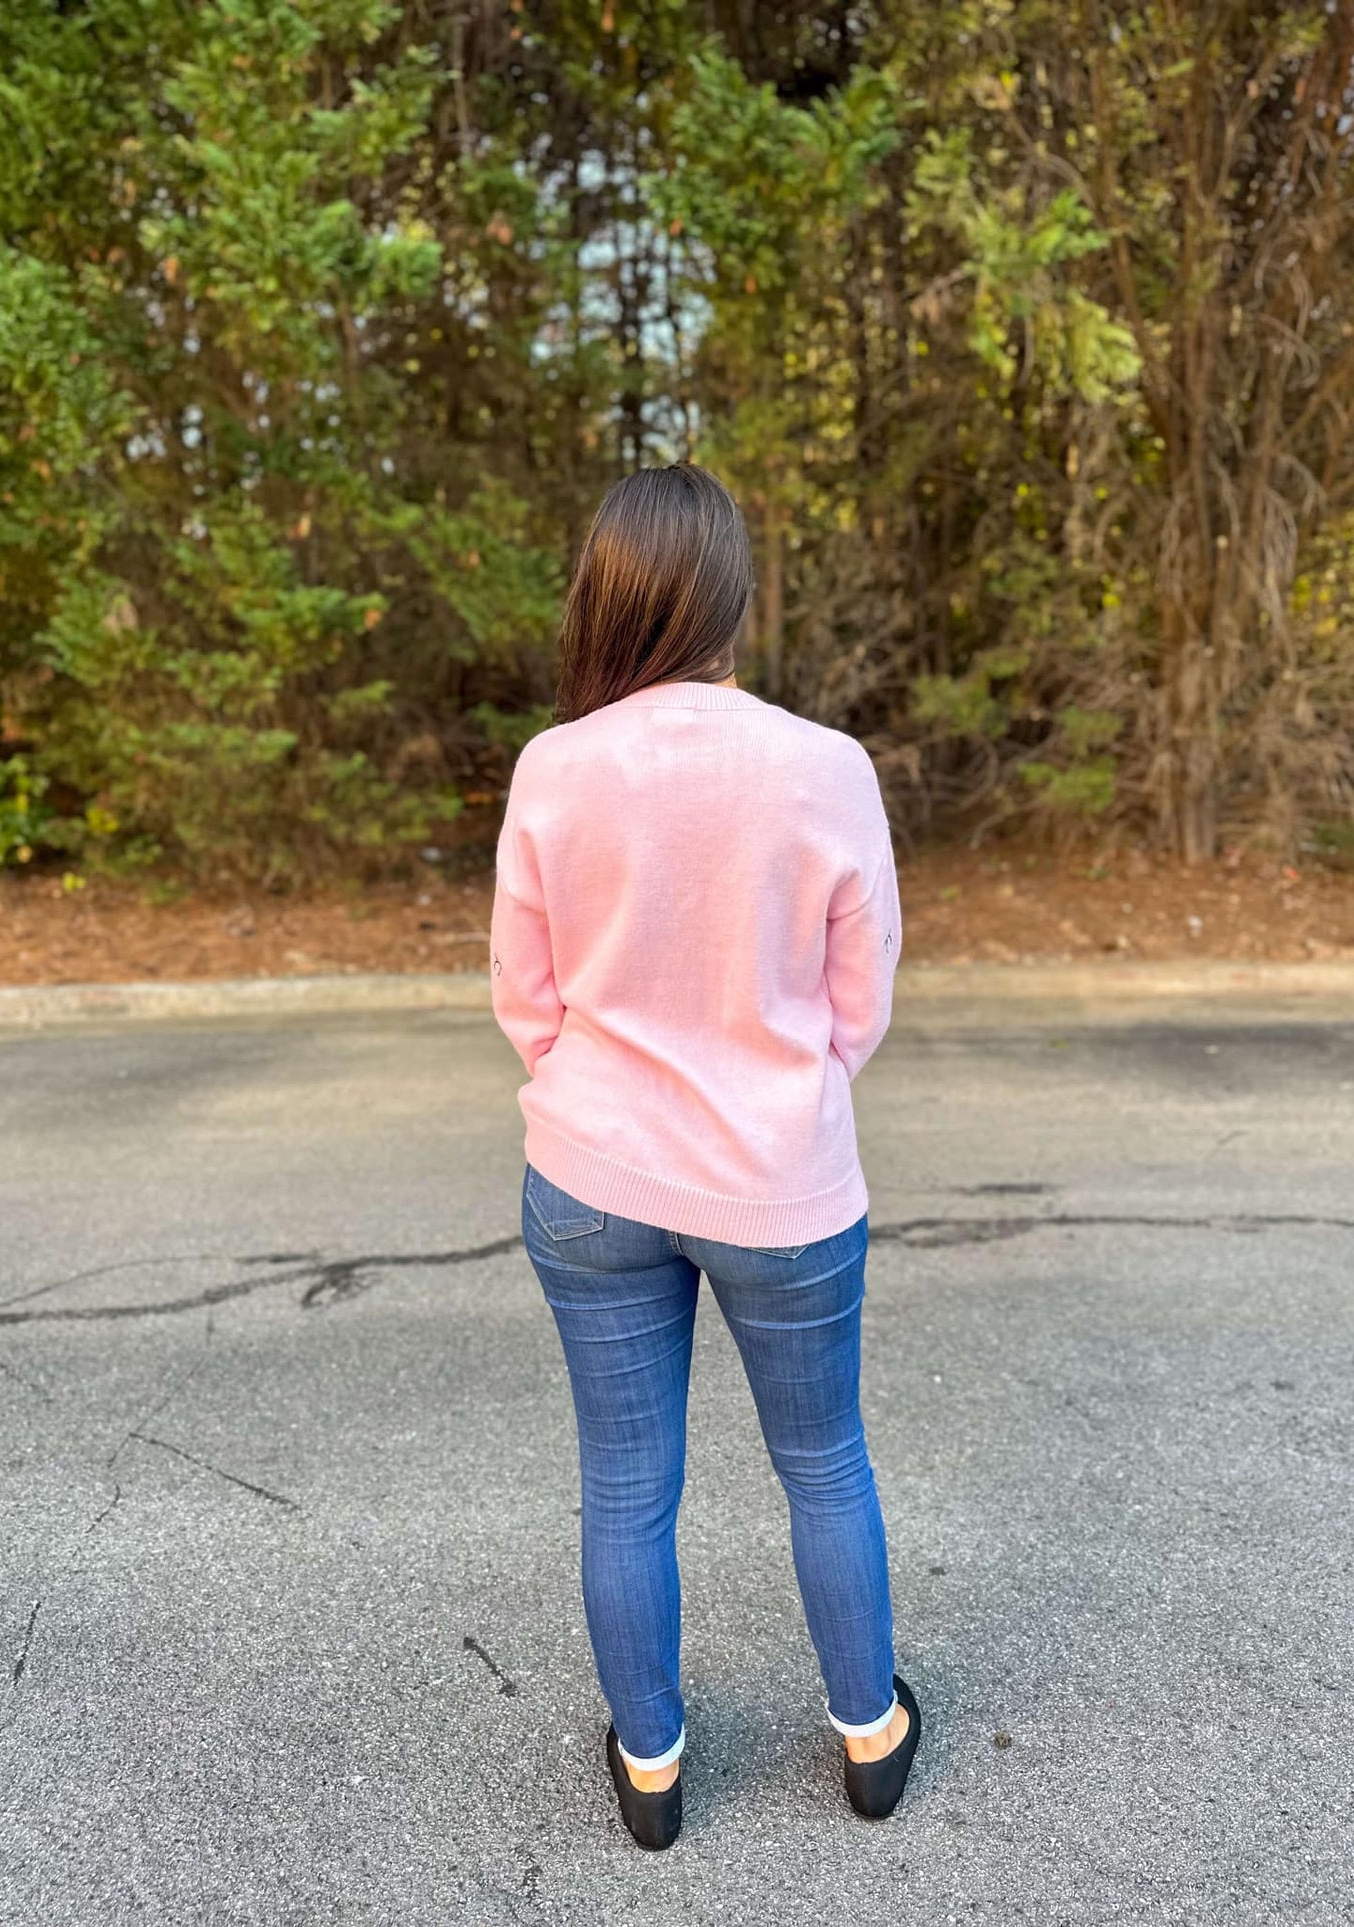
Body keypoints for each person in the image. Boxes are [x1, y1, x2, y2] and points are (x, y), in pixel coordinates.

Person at [489, 462, 920, 1850]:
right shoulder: (825, 767)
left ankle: (655, 1766)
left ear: (602, 597)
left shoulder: (556, 769)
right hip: (782, 1186)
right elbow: (863, 999)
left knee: (624, 1481)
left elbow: (525, 999)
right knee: (823, 1460)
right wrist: (785, 1104)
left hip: (591, 1176)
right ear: (732, 597)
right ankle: (867, 1734)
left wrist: (593, 1092)